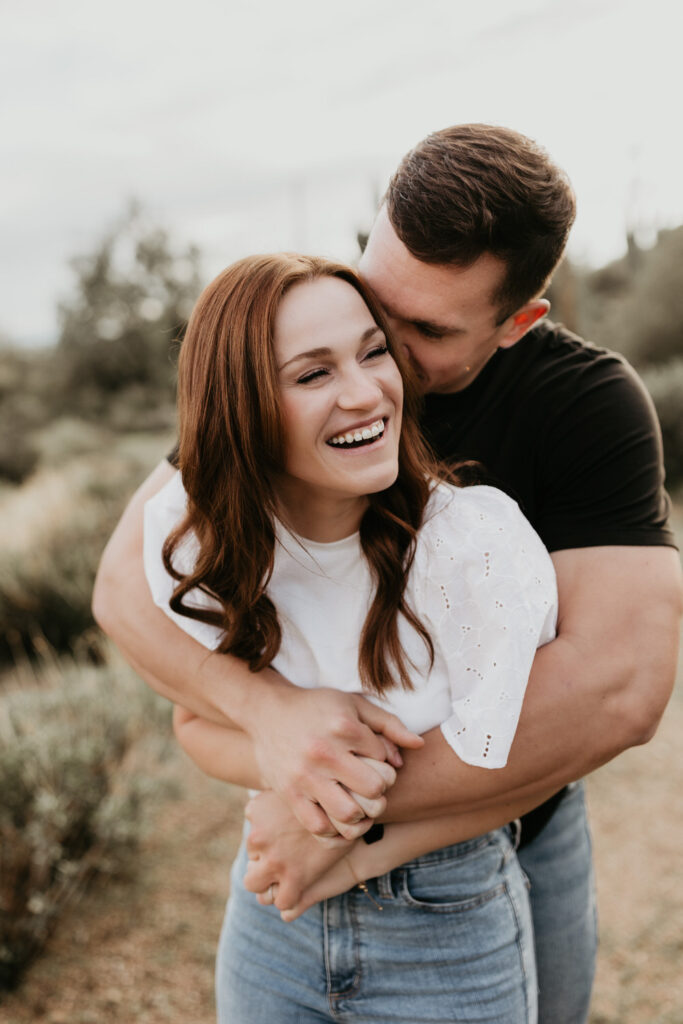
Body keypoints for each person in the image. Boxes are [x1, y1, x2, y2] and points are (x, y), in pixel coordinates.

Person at [93, 124, 683, 1024]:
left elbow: (616, 691)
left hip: (511, 836)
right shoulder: (313, 334)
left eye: (426, 331)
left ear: (517, 321)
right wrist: (273, 716)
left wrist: (343, 824)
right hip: (298, 836)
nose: (382, 363)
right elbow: (125, 591)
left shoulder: (585, 405)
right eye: (378, 301)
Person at [143, 251, 558, 1022]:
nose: (366, 393)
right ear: (241, 407)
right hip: (272, 912)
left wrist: (335, 821)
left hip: (446, 921)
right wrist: (290, 754)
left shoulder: (473, 548)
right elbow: (194, 722)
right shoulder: (198, 538)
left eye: (374, 353)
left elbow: (525, 762)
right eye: (312, 374)